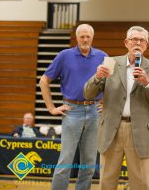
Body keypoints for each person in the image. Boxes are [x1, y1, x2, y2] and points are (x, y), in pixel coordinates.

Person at [84, 26, 149, 190]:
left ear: (146, 45)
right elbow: (88, 94)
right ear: (126, 43)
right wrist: (97, 76)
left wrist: (147, 83)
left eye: (142, 40)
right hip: (111, 131)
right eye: (134, 39)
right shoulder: (111, 63)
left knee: (142, 183)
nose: (138, 43)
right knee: (106, 182)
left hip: (140, 132)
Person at [39, 23, 107, 190]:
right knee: (66, 160)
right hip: (72, 111)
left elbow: (111, 84)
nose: (85, 39)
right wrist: (51, 108)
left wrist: (106, 102)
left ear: (92, 37)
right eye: (82, 36)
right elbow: (44, 81)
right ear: (76, 37)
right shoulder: (64, 55)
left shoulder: (103, 56)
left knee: (89, 163)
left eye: (88, 36)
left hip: (94, 112)